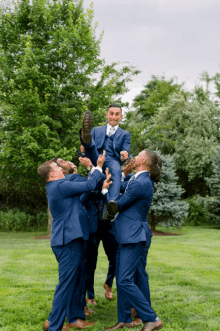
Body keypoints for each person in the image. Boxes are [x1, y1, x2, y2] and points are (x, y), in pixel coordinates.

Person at [38, 154, 105, 331]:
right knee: (66, 283)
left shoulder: (59, 186)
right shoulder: (59, 184)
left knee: (76, 280)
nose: (61, 168)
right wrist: (96, 167)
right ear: (52, 174)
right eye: (57, 168)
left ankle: (75, 318)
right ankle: (54, 325)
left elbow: (81, 199)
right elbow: (90, 185)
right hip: (67, 241)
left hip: (74, 238)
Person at [103, 150, 163, 331]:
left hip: (133, 236)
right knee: (123, 279)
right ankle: (125, 319)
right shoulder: (137, 179)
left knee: (124, 281)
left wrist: (106, 191)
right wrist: (116, 177)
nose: (134, 157)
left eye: (138, 155)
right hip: (126, 235)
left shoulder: (142, 183)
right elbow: (121, 186)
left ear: (143, 160)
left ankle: (152, 318)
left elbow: (118, 205)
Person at [79, 104, 131, 204]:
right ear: (106, 115)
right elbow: (88, 153)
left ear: (121, 116)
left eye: (117, 114)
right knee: (91, 146)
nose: (114, 117)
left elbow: (125, 151)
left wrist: (124, 154)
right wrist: (83, 149)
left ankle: (113, 202)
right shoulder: (96, 130)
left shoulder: (125, 134)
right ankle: (86, 139)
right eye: (111, 114)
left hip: (112, 160)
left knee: (116, 170)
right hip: (96, 156)